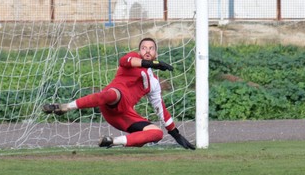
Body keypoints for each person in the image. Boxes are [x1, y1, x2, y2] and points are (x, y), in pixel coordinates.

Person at [42, 37, 195, 150]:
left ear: (156, 53)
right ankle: (64, 107)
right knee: (112, 94)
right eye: (144, 48)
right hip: (113, 101)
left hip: (124, 116)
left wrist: (175, 134)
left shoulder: (154, 82)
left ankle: (111, 141)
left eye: (151, 48)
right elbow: (124, 61)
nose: (147, 51)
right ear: (139, 50)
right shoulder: (133, 58)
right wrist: (153, 64)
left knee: (156, 133)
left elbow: (160, 109)